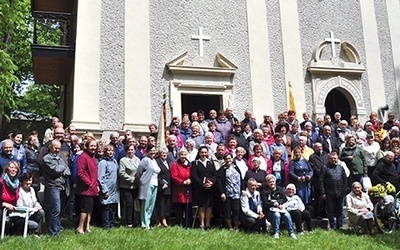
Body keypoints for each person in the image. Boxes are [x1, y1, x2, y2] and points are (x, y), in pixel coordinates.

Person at [42, 139, 71, 236]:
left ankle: (57, 228)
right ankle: (53, 232)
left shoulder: (59, 158)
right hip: (53, 186)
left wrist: (61, 169)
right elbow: (55, 170)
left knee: (59, 210)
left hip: (62, 186)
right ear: (50, 147)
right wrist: (62, 169)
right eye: (55, 148)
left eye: (59, 148)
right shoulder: (47, 159)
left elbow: (68, 172)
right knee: (55, 209)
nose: (57, 150)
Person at [261, 175, 297, 239]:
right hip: (270, 211)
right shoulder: (264, 191)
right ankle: (276, 232)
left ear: (275, 181)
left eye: (273, 181)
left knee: (287, 215)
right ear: (267, 183)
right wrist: (274, 203)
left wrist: (279, 203)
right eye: (270, 182)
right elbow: (265, 203)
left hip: (280, 209)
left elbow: (284, 199)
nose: (272, 183)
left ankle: (291, 233)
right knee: (276, 215)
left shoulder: (280, 189)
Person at [320, 151, 348, 230]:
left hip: (340, 192)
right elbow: (321, 180)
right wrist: (323, 192)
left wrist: (345, 191)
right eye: (331, 158)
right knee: (331, 210)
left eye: (335, 158)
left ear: (337, 158)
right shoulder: (325, 167)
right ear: (328, 159)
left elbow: (345, 180)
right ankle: (333, 226)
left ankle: (340, 225)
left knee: (340, 210)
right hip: (329, 193)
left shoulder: (340, 168)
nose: (333, 160)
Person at [76, 139, 99, 234]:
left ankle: (87, 227)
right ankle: (80, 228)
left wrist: (96, 185)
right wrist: (89, 183)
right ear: (86, 146)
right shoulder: (83, 157)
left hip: (93, 188)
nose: (93, 148)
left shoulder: (92, 157)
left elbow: (94, 173)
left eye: (95, 146)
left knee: (90, 209)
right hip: (85, 188)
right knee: (85, 209)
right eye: (91, 146)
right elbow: (80, 173)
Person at [191, 146, 217, 230]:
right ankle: (201, 225)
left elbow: (215, 175)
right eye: (202, 152)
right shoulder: (195, 163)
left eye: (205, 152)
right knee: (201, 206)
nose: (204, 154)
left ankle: (208, 225)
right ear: (199, 153)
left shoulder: (210, 162)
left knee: (209, 207)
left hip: (210, 188)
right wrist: (202, 184)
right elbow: (194, 176)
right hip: (200, 188)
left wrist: (212, 182)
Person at [216, 153, 243, 231]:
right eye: (226, 159)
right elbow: (219, 182)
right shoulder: (222, 169)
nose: (228, 160)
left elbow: (241, 179)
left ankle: (237, 227)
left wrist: (242, 189)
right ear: (224, 160)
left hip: (237, 194)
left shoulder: (236, 167)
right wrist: (222, 193)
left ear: (232, 159)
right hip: (227, 194)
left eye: (230, 158)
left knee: (236, 211)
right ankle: (230, 227)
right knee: (227, 211)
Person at [136, 144, 160, 230]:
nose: (153, 152)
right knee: (145, 205)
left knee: (151, 205)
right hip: (147, 184)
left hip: (155, 184)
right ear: (147, 151)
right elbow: (139, 172)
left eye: (154, 150)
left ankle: (148, 223)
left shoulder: (155, 160)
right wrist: (142, 181)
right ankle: (144, 224)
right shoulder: (145, 160)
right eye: (151, 150)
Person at [17, 172, 45, 237]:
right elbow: (19, 207)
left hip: (30, 214)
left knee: (41, 212)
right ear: (22, 181)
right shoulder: (19, 191)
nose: (28, 182)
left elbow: (35, 202)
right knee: (35, 225)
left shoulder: (32, 189)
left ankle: (36, 233)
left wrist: (38, 205)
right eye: (26, 180)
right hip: (22, 216)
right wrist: (33, 209)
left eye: (30, 180)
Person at [119, 144, 140, 228]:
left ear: (135, 150)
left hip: (136, 186)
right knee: (129, 203)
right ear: (126, 151)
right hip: (126, 186)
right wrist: (131, 179)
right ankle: (129, 222)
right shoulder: (123, 160)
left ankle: (135, 220)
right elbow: (121, 173)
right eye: (129, 150)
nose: (130, 151)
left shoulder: (138, 160)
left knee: (135, 204)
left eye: (132, 150)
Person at [98, 144, 119, 229]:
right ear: (105, 152)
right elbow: (100, 178)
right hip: (107, 188)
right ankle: (106, 224)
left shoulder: (114, 161)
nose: (110, 152)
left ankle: (112, 223)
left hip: (114, 189)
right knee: (106, 206)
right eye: (108, 150)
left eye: (112, 150)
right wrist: (105, 190)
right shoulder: (103, 163)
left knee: (112, 206)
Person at [170, 148, 192, 227]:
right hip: (178, 191)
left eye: (185, 154)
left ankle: (188, 225)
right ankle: (179, 224)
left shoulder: (190, 165)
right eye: (181, 154)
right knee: (178, 209)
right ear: (179, 155)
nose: (183, 156)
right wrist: (183, 182)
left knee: (188, 209)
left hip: (188, 191)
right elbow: (173, 176)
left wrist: (190, 180)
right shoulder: (175, 164)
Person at [0, 161, 21, 234]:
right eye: (11, 167)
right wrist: (4, 204)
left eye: (15, 168)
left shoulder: (18, 183)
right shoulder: (1, 182)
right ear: (7, 169)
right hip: (2, 207)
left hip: (14, 208)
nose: (13, 170)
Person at [308, 142, 328, 218]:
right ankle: (318, 213)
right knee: (318, 197)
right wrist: (321, 173)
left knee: (325, 197)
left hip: (326, 180)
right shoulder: (312, 157)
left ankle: (325, 212)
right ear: (314, 148)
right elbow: (313, 167)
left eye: (320, 146)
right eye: (317, 147)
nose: (319, 148)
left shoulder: (326, 155)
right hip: (317, 179)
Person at [154, 147, 171, 228]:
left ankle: (164, 219)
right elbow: (156, 174)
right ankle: (158, 221)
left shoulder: (168, 161)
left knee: (166, 204)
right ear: (159, 154)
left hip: (168, 186)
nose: (164, 155)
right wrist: (162, 183)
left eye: (165, 153)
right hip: (160, 186)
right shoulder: (156, 162)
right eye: (162, 153)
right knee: (159, 204)